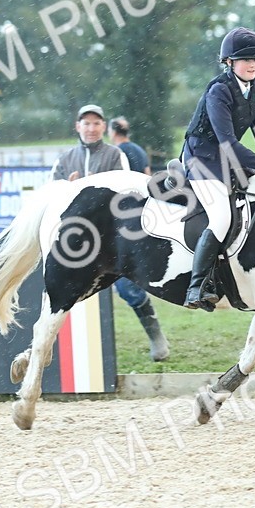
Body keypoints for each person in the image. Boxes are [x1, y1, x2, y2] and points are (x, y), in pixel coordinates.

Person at [52, 104, 169, 362]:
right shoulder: (64, 160)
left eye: (96, 123)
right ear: (77, 126)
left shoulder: (116, 155)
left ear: (104, 127)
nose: (91, 128)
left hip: (113, 241)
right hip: (76, 243)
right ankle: (61, 352)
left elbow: (127, 194)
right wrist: (69, 190)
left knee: (129, 290)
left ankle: (156, 337)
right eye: (86, 123)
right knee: (63, 294)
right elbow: (52, 200)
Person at [180, 27, 255, 310]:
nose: (253, 64)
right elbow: (227, 142)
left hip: (226, 158)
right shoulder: (219, 90)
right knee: (221, 216)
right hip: (201, 158)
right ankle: (196, 286)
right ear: (229, 61)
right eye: (246, 59)